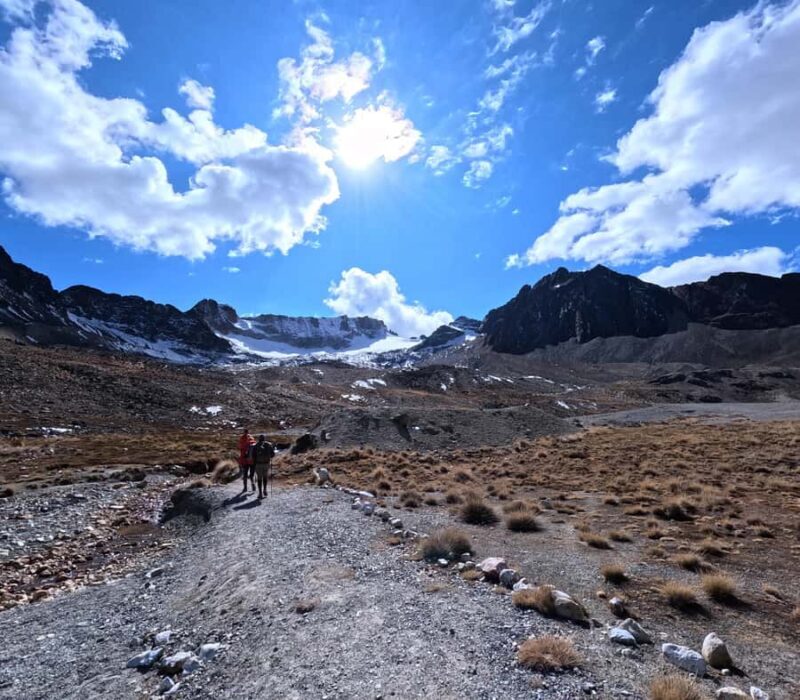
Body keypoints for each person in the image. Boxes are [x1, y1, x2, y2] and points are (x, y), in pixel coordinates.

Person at [252, 434, 275, 499]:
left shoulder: (256, 445)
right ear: (264, 439)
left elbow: (253, 456)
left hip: (258, 464)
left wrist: (254, 464)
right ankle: (265, 490)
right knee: (265, 477)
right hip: (266, 464)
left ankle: (260, 493)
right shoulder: (269, 445)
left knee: (259, 479)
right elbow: (273, 454)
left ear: (259, 439)